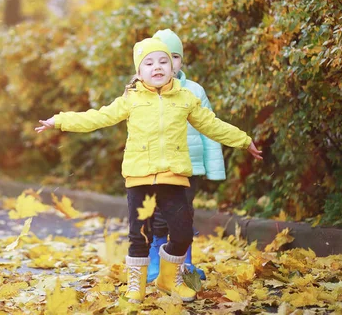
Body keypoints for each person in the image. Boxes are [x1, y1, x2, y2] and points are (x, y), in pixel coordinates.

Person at [35, 37, 262, 303]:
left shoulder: (185, 99)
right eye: (149, 63)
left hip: (173, 177)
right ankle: (137, 285)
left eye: (163, 61)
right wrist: (59, 121)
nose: (157, 67)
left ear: (173, 68)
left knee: (182, 233)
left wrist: (244, 140)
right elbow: (96, 117)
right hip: (139, 178)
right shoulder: (130, 100)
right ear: (139, 72)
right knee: (139, 235)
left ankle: (168, 279)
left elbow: (212, 125)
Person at [146, 29, 225, 283]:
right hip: (157, 168)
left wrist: (214, 169)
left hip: (190, 167)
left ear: (180, 61)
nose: (170, 62)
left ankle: (184, 263)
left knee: (184, 214)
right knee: (158, 216)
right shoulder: (145, 90)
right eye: (164, 57)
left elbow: (209, 128)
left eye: (175, 56)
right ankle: (157, 261)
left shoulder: (194, 90)